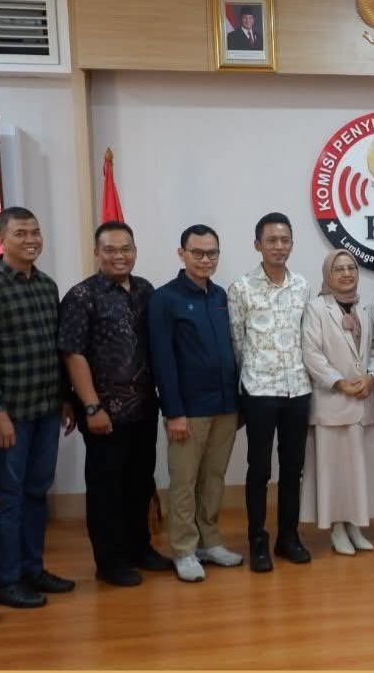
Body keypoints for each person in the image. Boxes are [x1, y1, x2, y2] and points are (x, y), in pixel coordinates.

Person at [0, 206, 75, 608]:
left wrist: (65, 397)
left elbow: (55, 349)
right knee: (7, 496)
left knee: (37, 492)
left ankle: (32, 569)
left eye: (35, 232)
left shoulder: (46, 285)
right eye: (21, 233)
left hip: (45, 408)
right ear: (0, 239)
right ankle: (6, 581)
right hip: (8, 415)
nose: (31, 240)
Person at [58, 221, 173, 587]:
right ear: (97, 253)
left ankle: (140, 548)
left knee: (140, 482)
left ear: (135, 252)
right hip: (104, 412)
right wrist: (91, 406)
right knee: (106, 488)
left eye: (126, 249)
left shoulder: (145, 291)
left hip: (143, 407)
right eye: (110, 249)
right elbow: (73, 354)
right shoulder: (82, 296)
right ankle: (109, 562)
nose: (119, 256)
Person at [149, 224, 242, 583]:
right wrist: (173, 412)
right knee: (184, 482)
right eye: (198, 252)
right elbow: (163, 360)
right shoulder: (165, 299)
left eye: (212, 253)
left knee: (213, 479)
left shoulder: (220, 296)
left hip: (225, 405)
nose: (206, 259)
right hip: (187, 411)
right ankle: (184, 549)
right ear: (182, 254)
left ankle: (210, 541)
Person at [228, 212, 313, 572]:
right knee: (259, 469)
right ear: (257, 245)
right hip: (259, 390)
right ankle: (257, 540)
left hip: (298, 389)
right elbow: (236, 343)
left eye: (285, 240)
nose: (279, 246)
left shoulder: (303, 286)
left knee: (293, 469)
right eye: (272, 240)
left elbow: (307, 336)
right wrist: (242, 392)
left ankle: (288, 537)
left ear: (292, 244)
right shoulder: (241, 288)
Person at [299, 250, 374, 555]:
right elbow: (311, 353)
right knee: (333, 471)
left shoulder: (365, 307)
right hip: (332, 402)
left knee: (359, 470)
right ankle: (336, 528)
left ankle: (355, 526)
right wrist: (339, 382)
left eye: (352, 267)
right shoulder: (316, 308)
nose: (347, 273)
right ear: (328, 274)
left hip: (363, 401)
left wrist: (372, 376)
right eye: (339, 269)